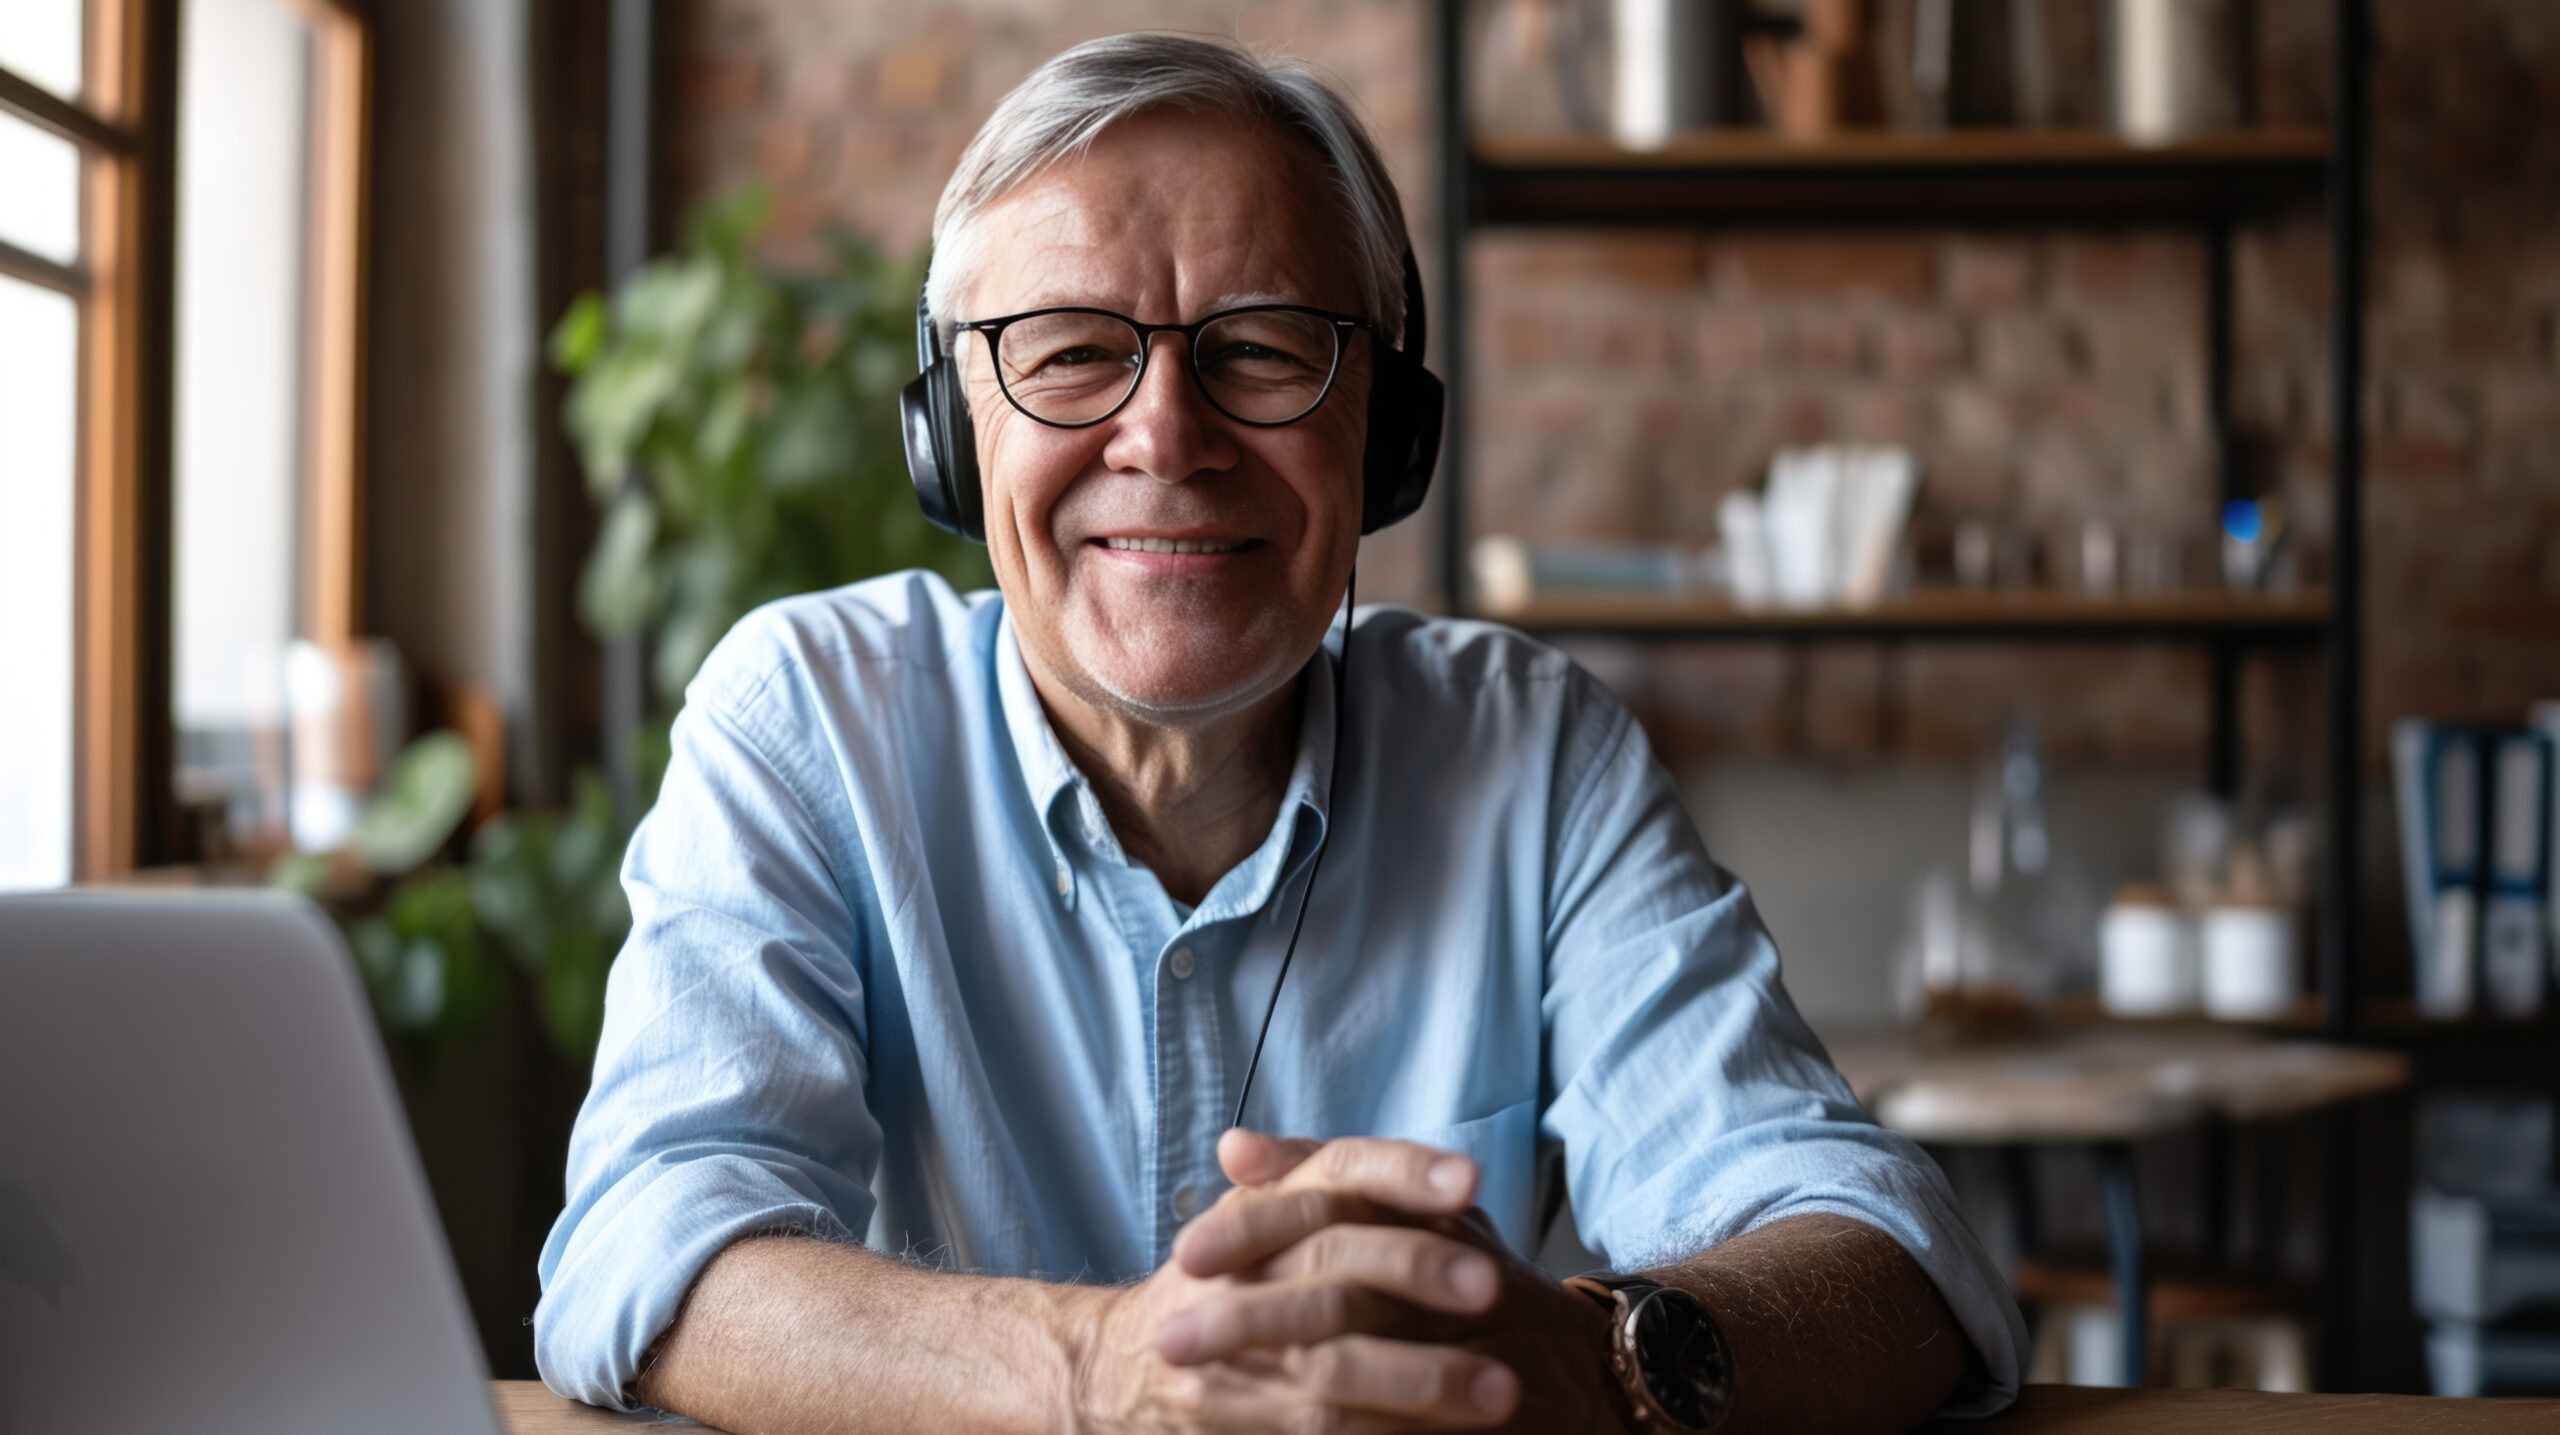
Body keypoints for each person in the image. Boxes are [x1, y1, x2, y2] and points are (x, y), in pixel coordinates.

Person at [535, 32, 2023, 1434]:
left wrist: (1591, 1364)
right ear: (951, 430)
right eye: (1065, 352)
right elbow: (652, 1250)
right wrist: (1100, 1374)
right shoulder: (809, 720)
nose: (1168, 436)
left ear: (1384, 434)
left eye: (1259, 349)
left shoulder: (1534, 755)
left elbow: (1891, 1263)